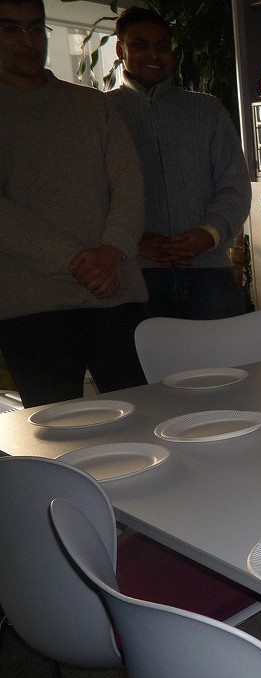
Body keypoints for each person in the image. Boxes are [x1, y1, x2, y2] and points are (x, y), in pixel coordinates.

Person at [0, 0, 149, 407]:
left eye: (36, 28)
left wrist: (111, 252)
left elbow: (129, 184)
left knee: (144, 417)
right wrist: (78, 261)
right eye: (11, 29)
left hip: (114, 293)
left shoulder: (94, 105)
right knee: (59, 428)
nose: (28, 41)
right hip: (32, 305)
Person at [108, 7, 251, 320]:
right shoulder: (101, 112)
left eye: (162, 46)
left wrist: (209, 234)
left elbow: (235, 186)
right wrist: (133, 240)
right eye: (140, 45)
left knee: (228, 351)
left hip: (208, 272)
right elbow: (90, 194)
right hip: (133, 275)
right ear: (120, 50)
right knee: (141, 355)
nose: (153, 55)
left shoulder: (207, 110)